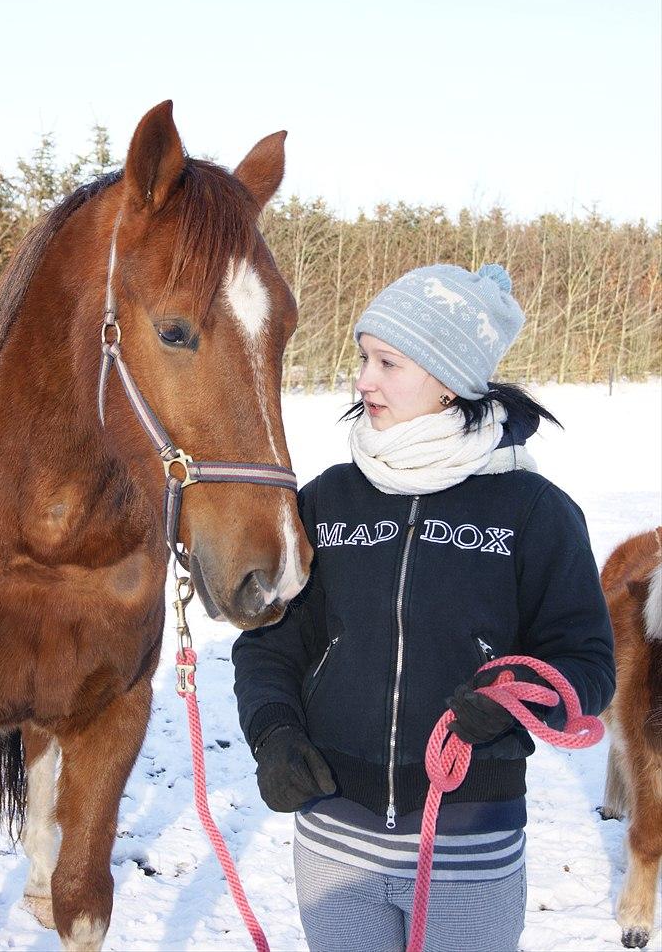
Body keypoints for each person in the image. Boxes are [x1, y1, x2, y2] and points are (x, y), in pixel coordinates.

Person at [232, 263, 615, 952]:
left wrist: (518, 699)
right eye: (362, 357)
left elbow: (588, 665)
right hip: (333, 834)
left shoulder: (534, 511)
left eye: (387, 361)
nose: (362, 379)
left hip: (469, 843)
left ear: (448, 378)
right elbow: (271, 644)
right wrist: (274, 731)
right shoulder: (328, 501)